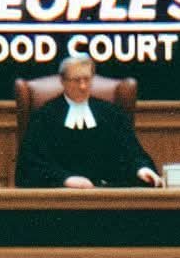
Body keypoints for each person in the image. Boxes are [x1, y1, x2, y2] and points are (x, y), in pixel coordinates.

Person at [15, 55, 161, 189]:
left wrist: (141, 169)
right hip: (61, 196)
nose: (83, 86)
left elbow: (132, 153)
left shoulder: (111, 114)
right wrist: (64, 179)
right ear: (63, 81)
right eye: (76, 80)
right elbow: (30, 165)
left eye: (87, 79)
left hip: (107, 195)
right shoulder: (44, 117)